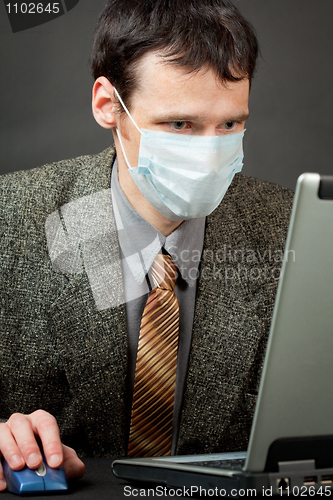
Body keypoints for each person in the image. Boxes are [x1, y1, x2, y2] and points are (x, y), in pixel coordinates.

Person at [0, 0, 293, 491]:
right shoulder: (10, 222)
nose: (208, 154)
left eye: (230, 125)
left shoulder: (294, 230)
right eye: (180, 125)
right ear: (108, 106)